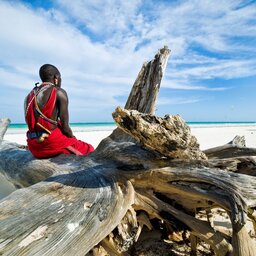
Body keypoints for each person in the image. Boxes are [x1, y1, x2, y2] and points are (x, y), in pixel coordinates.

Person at [24, 64, 94, 158]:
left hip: (34, 146)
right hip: (50, 144)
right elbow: (65, 128)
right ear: (56, 77)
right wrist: (72, 138)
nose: (61, 80)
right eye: (60, 77)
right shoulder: (58, 92)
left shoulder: (29, 96)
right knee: (89, 149)